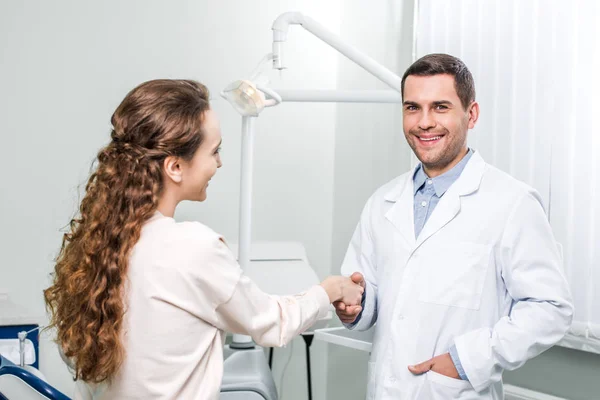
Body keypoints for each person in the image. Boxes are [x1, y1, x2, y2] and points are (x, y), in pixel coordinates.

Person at [43, 79, 364, 400]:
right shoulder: (192, 247)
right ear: (175, 166)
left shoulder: (103, 243)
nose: (219, 163)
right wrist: (331, 289)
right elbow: (272, 323)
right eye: (214, 151)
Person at [335, 54, 573, 399]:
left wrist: (466, 360)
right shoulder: (382, 201)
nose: (424, 122)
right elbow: (371, 294)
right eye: (412, 108)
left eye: (441, 107)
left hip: (454, 390)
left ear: (471, 114)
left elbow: (551, 308)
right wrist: (355, 305)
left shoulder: (512, 203)